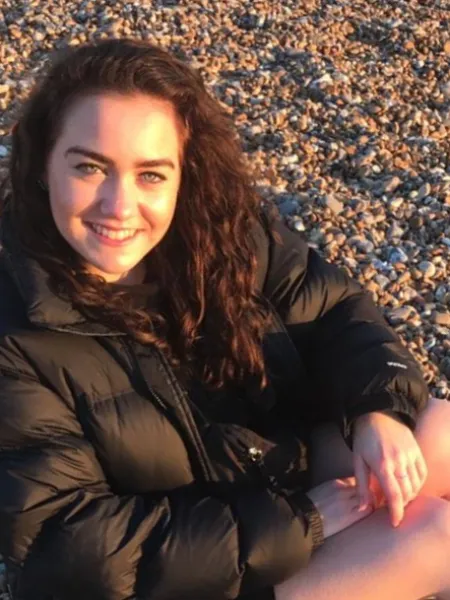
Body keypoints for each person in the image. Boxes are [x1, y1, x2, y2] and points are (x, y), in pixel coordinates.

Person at [0, 38, 449, 600]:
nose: (119, 206)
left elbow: (335, 312)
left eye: (151, 174)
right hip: (173, 575)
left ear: (184, 172)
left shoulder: (221, 233)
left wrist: (377, 411)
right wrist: (302, 519)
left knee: (436, 432)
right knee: (432, 534)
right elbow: (67, 541)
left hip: (261, 482)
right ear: (43, 163)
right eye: (90, 167)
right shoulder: (14, 333)